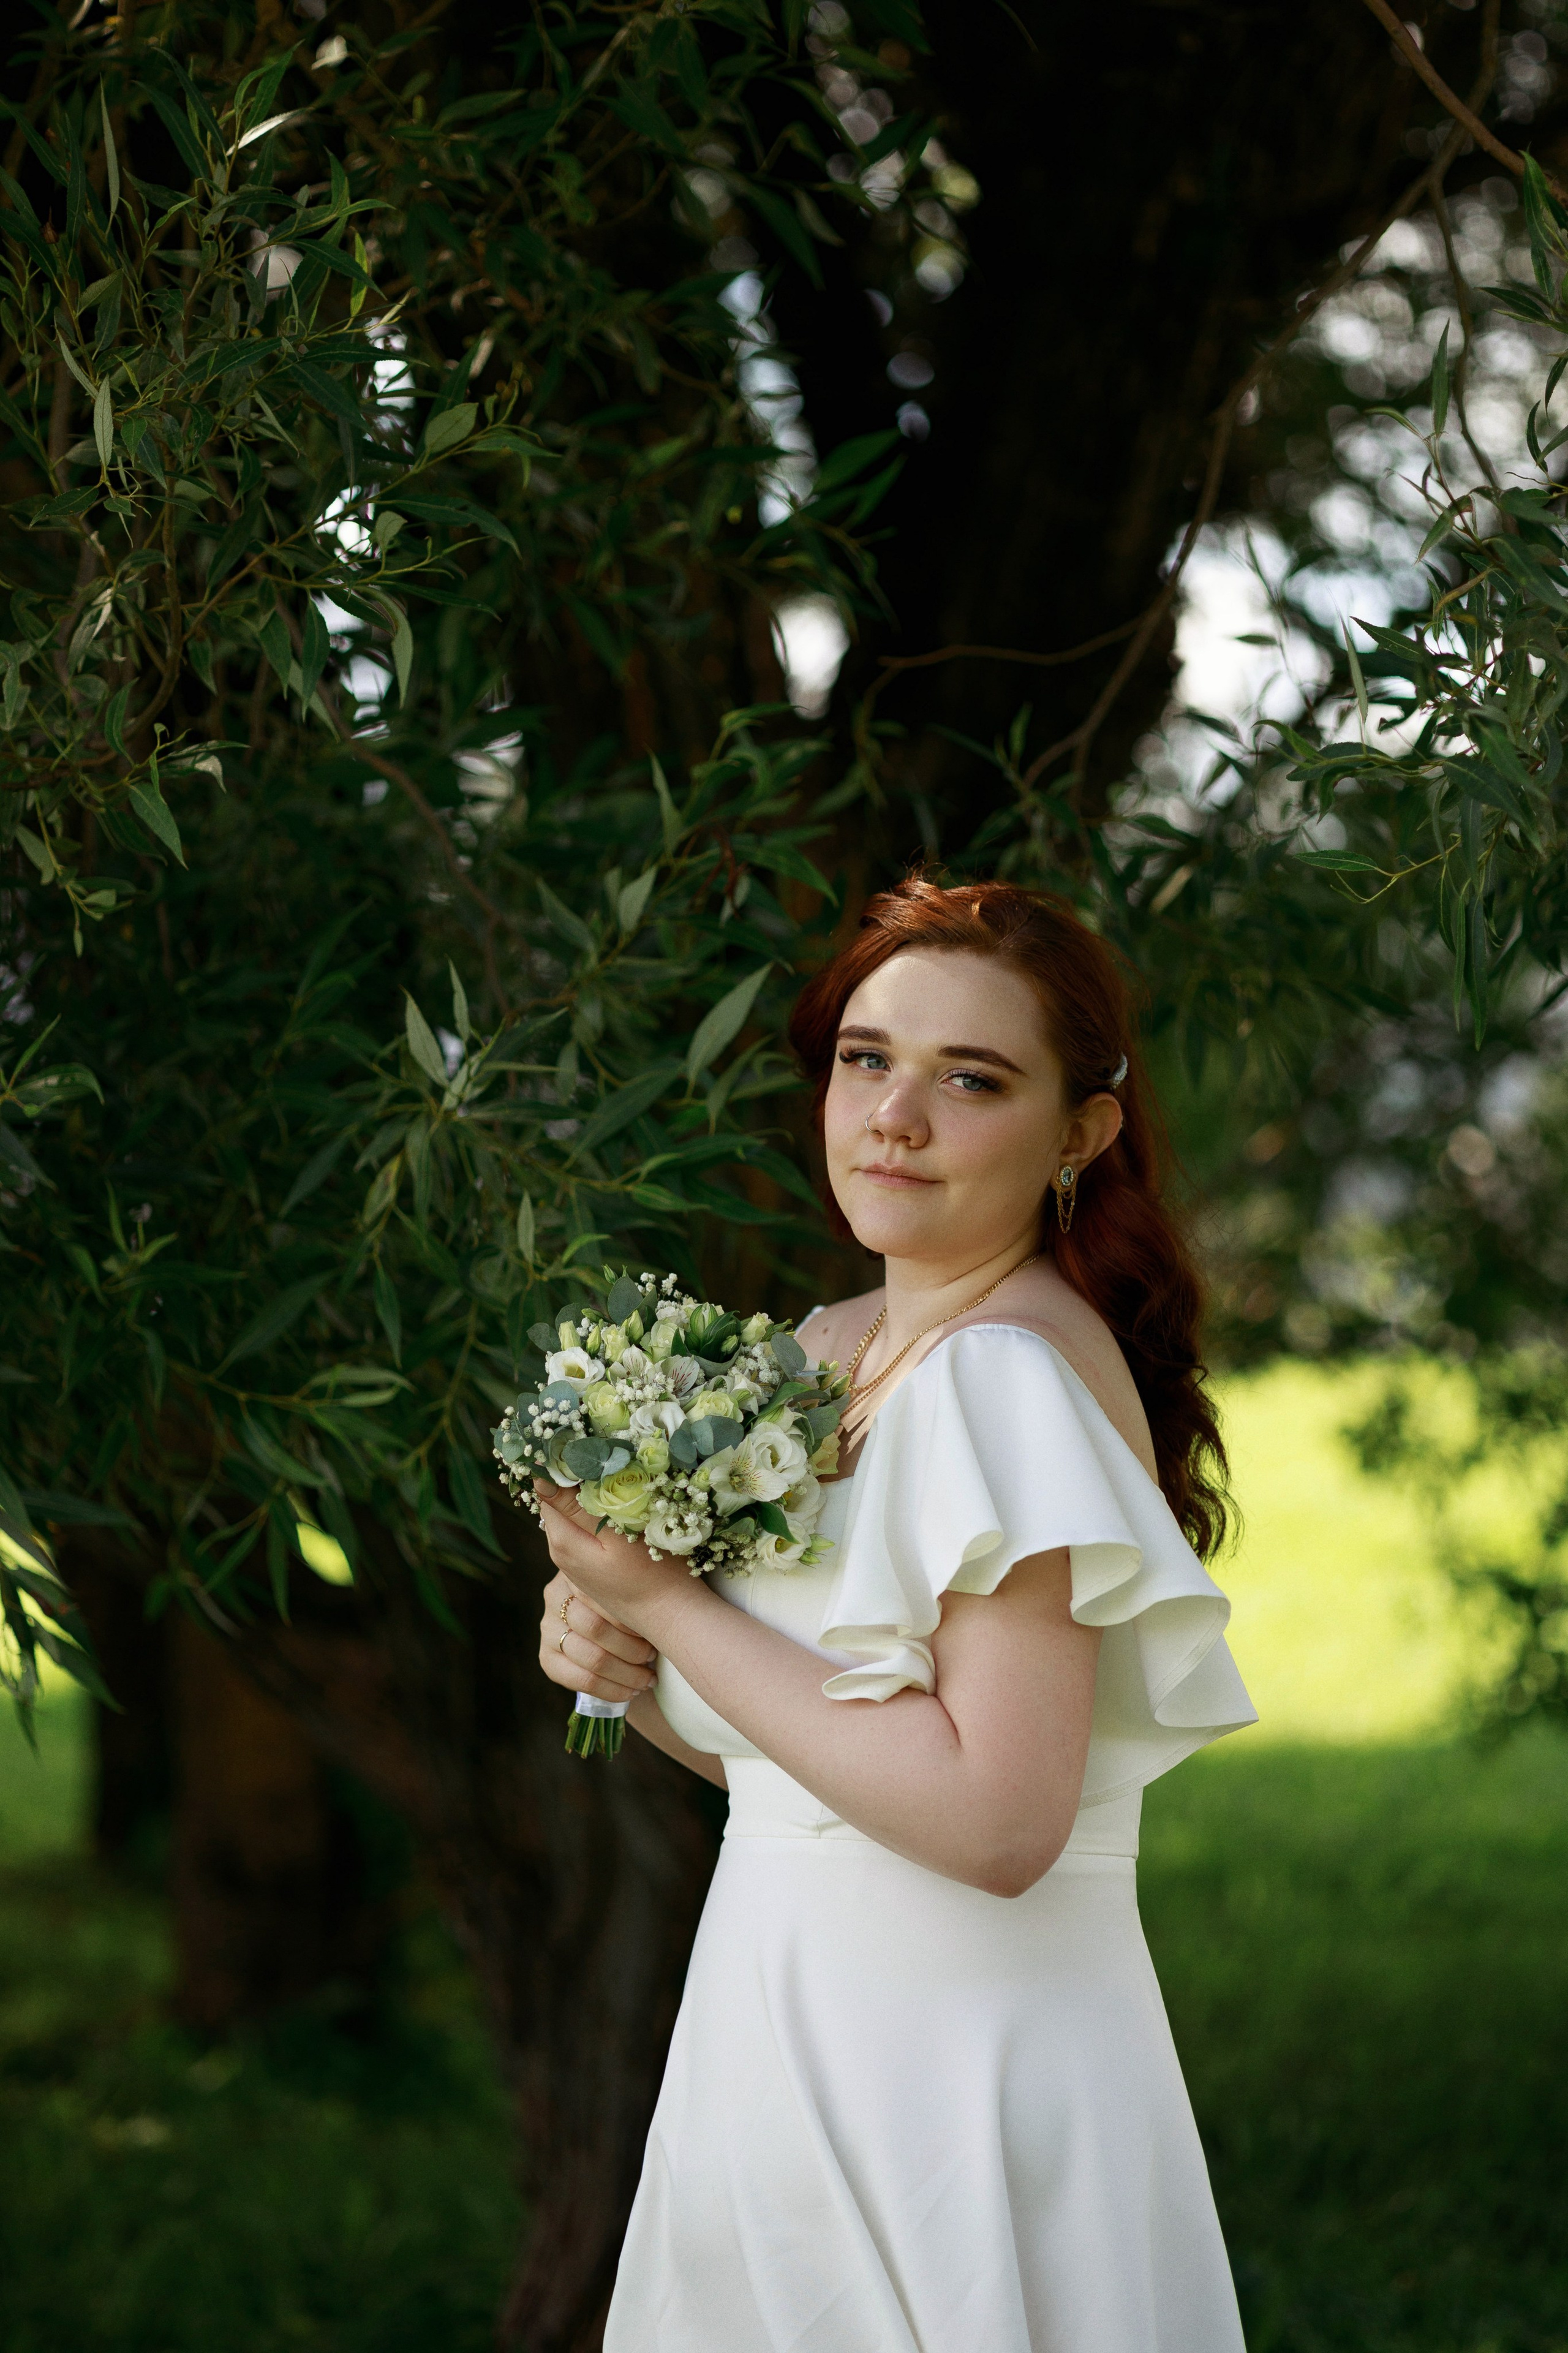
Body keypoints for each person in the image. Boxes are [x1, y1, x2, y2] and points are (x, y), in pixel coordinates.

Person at [535, 876, 1257, 2352]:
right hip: (774, 2030)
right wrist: (622, 1664)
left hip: (945, 2069)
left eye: (969, 1079)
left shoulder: (1001, 1372)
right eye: (866, 1058)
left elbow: (996, 1820)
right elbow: (809, 1771)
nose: (892, 1117)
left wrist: (667, 1602)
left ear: (1079, 1133)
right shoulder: (832, 1348)